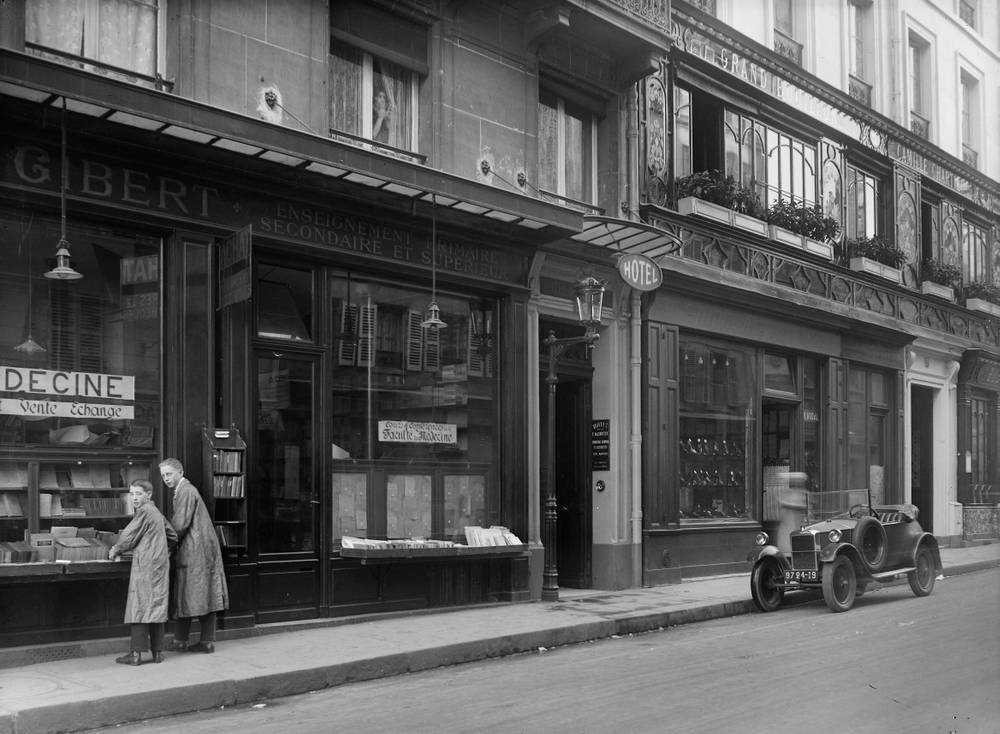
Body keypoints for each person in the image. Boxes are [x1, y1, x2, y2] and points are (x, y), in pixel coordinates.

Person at [160, 457, 229, 653]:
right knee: (198, 594)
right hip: (199, 550)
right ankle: (194, 641)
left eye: (169, 474)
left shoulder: (186, 491)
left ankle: (191, 641)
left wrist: (162, 545)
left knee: (191, 593)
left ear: (180, 472)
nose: (166, 478)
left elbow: (179, 525)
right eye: (163, 475)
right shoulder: (184, 490)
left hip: (195, 551)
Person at [109, 479, 177, 665]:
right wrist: (162, 549)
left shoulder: (144, 511)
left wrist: (115, 550)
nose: (134, 498)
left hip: (146, 564)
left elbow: (127, 538)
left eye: (138, 493)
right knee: (156, 606)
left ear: (149, 495)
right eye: (131, 494)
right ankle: (157, 654)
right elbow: (172, 535)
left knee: (139, 606)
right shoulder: (156, 511)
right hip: (160, 565)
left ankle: (136, 655)